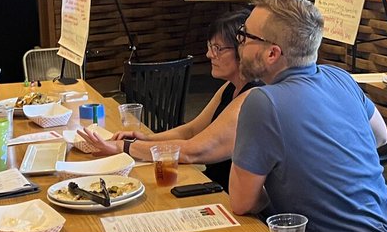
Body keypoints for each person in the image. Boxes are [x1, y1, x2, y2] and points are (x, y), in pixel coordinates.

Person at [229, 0, 387, 232]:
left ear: (272, 53)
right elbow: (380, 136)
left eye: (246, 36)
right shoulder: (340, 78)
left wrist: (287, 186)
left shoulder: (263, 102)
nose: (239, 43)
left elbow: (242, 203)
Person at [78, 10, 259, 183]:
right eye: (211, 46)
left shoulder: (252, 99)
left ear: (242, 50)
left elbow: (193, 151)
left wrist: (124, 147)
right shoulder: (230, 87)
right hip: (209, 183)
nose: (209, 54)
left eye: (218, 48)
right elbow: (190, 131)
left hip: (226, 196)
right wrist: (143, 139)